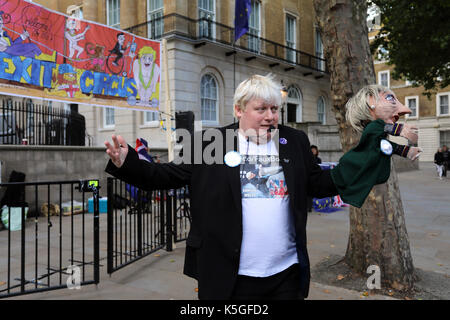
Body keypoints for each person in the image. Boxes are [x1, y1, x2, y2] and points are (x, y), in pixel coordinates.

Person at [104, 77, 419, 300]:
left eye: (275, 110)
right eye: (261, 110)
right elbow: (165, 176)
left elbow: (318, 184)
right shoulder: (210, 143)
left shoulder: (293, 141)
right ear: (239, 111)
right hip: (227, 275)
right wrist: (126, 162)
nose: (270, 117)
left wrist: (361, 160)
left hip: (285, 273)